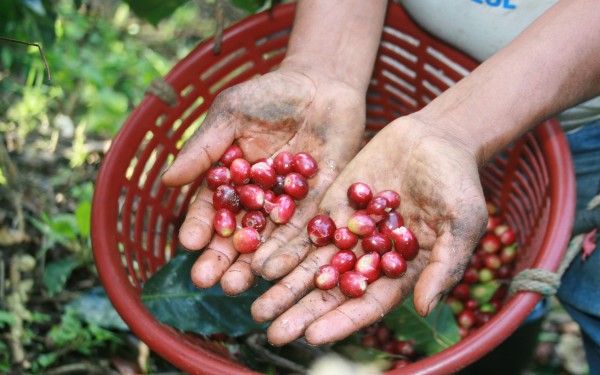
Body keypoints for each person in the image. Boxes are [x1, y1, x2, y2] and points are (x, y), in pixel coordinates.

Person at [161, 0, 600, 371]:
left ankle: (520, 337)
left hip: (579, 117)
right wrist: (322, 65)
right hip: (391, 42)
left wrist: (460, 127)